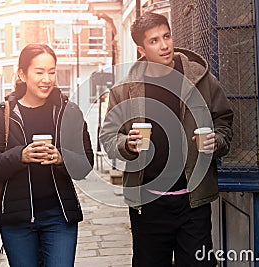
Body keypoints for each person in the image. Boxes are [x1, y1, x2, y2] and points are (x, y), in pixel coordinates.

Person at [100, 12, 233, 267]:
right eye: (154, 41)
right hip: (148, 203)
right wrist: (126, 144)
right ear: (141, 48)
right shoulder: (124, 89)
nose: (164, 46)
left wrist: (216, 141)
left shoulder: (200, 79)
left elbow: (224, 120)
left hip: (192, 201)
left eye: (167, 36)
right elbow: (108, 137)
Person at [0, 43, 94, 266]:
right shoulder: (3, 115)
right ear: (22, 74)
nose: (47, 79)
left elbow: (85, 162)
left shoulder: (68, 111)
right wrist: (20, 155)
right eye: (39, 72)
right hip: (17, 219)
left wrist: (61, 158)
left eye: (52, 72)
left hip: (59, 216)